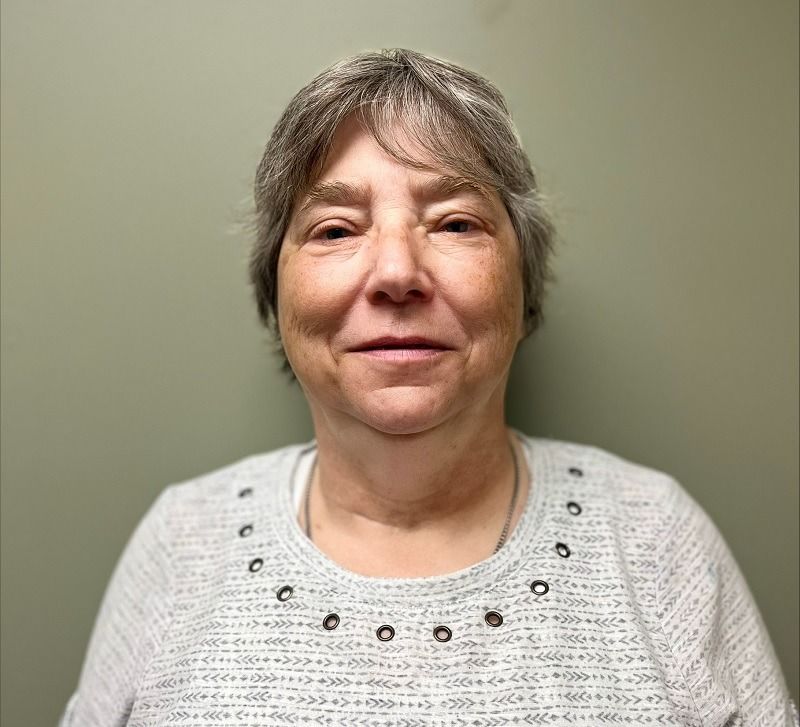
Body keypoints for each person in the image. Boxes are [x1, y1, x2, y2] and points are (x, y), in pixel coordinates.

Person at [59, 48, 797, 726]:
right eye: (336, 229)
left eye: (454, 222)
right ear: (275, 287)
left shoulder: (656, 538)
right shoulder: (181, 540)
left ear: (522, 282)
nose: (395, 274)